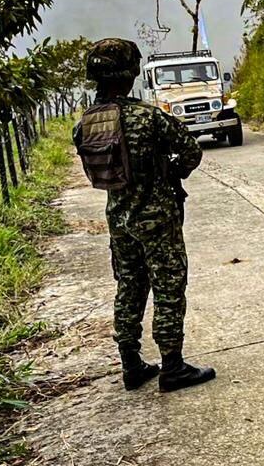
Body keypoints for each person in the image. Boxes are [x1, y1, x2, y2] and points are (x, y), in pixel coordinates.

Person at [74, 38, 216, 393]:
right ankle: (172, 366)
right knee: (168, 287)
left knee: (129, 287)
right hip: (157, 219)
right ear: (131, 72)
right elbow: (191, 153)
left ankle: (131, 364)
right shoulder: (148, 117)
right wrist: (168, 172)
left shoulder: (86, 124)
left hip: (118, 219)